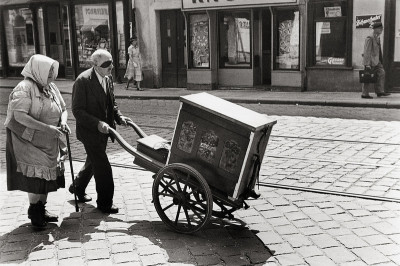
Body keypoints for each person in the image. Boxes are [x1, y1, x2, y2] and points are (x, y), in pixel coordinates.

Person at [5, 54, 70, 228]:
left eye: (52, 72)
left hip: (48, 140)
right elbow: (19, 116)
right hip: (27, 139)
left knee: (47, 175)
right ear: (38, 71)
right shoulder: (24, 87)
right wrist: (46, 128)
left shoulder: (50, 87)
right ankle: (35, 212)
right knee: (35, 175)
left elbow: (63, 109)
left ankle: (41, 209)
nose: (52, 75)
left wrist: (62, 121)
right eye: (48, 72)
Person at [70, 49, 132, 214]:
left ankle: (77, 187)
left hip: (105, 131)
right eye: (106, 64)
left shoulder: (108, 78)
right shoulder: (82, 81)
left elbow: (111, 103)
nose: (110, 67)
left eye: (111, 63)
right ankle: (105, 203)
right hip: (89, 132)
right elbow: (77, 110)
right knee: (103, 166)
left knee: (93, 161)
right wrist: (97, 123)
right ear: (95, 65)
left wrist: (119, 117)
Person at [361, 22, 390, 99]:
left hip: (377, 61)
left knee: (382, 73)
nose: (382, 30)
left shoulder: (377, 37)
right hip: (370, 61)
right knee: (367, 76)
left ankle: (379, 91)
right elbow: (367, 51)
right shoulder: (370, 38)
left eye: (382, 29)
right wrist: (367, 64)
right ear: (376, 29)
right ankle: (364, 94)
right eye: (380, 29)